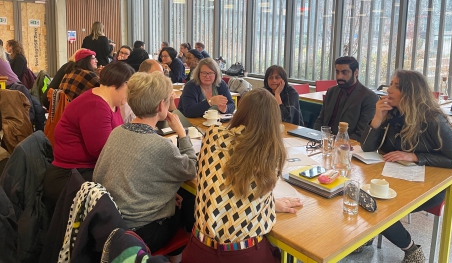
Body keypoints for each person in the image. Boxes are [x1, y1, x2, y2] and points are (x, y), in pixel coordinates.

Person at [182, 88, 302, 263]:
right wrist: (270, 204)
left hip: (198, 250)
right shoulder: (271, 153)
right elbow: (248, 187)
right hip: (244, 254)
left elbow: (228, 184)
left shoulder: (212, 136)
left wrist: (268, 203)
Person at [360, 70, 452, 263]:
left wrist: (415, 156)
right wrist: (377, 119)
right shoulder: (392, 114)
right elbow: (367, 148)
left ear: (411, 92)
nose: (388, 89)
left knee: (379, 208)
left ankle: (412, 250)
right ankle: (368, 234)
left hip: (429, 186)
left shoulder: (434, 119)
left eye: (396, 86)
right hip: (395, 176)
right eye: (390, 84)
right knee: (361, 195)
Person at [94, 72, 196, 262]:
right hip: (141, 234)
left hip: (110, 223)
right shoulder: (160, 146)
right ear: (160, 106)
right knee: (190, 203)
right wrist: (182, 133)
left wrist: (166, 193)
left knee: (178, 195)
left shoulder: (117, 132)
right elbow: (191, 168)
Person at [42, 61, 134, 215]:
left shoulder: (112, 102)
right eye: (130, 88)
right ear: (119, 84)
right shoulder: (96, 106)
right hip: (71, 177)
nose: (131, 93)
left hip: (85, 170)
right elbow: (103, 152)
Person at [313, 56, 378, 140]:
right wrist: (314, 137)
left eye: (345, 72)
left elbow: (361, 133)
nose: (339, 76)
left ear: (356, 73)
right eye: (337, 72)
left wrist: (338, 143)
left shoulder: (369, 97)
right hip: (323, 141)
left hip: (347, 146)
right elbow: (320, 120)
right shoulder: (331, 92)